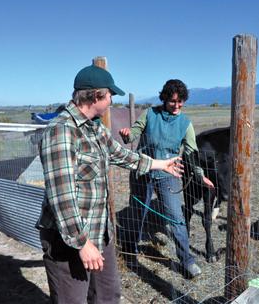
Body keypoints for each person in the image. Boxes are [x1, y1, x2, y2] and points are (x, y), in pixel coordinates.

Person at [36, 65, 184, 304]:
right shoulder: (62, 132)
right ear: (96, 96)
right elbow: (61, 196)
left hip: (99, 232)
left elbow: (122, 155)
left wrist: (160, 164)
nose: (112, 102)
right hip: (69, 240)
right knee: (72, 300)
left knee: (108, 295)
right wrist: (82, 244)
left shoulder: (95, 128)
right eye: (110, 96)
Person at [119, 79, 214, 279]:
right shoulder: (150, 114)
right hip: (142, 172)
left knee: (176, 218)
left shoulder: (185, 123)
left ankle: (187, 260)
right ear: (164, 99)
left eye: (181, 102)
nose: (177, 106)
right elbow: (134, 132)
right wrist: (127, 135)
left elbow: (191, 152)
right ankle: (130, 251)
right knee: (137, 213)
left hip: (168, 175)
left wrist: (200, 175)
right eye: (173, 101)